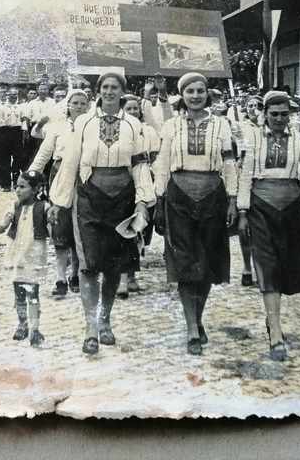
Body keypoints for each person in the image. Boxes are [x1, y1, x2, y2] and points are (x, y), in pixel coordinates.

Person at [59, 71, 154, 355]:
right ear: (98, 90)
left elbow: (139, 165)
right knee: (89, 264)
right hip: (89, 198)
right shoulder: (84, 122)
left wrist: (142, 201)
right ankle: (90, 328)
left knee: (113, 266)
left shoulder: (134, 124)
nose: (110, 91)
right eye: (105, 87)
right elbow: (71, 163)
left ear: (122, 91)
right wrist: (60, 201)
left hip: (122, 200)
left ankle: (105, 320)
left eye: (115, 87)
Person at [236, 91, 300, 361]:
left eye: (283, 114)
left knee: (287, 266)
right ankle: (275, 330)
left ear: (290, 115)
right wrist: (243, 210)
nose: (278, 119)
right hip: (261, 208)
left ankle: (272, 319)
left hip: (291, 208)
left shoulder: (299, 139)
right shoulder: (253, 138)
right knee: (267, 266)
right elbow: (245, 175)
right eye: (273, 114)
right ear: (264, 114)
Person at [153, 73, 239, 355]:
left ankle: (198, 317)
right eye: (190, 91)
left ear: (207, 94)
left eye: (200, 91)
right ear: (182, 95)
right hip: (179, 195)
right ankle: (191, 327)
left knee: (208, 265)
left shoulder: (222, 124)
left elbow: (229, 164)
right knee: (185, 264)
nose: (196, 95)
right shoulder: (171, 125)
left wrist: (232, 200)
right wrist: (159, 199)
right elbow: (163, 163)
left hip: (213, 195)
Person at [28, 88, 90, 297]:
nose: (79, 107)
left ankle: (76, 275)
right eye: (76, 103)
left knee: (79, 227)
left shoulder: (91, 127)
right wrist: (31, 176)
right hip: (60, 176)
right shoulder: (58, 127)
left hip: (84, 178)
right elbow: (44, 153)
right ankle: (60, 277)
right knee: (60, 227)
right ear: (68, 105)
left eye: (83, 103)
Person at [0, 170, 49, 347]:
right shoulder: (15, 206)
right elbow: (5, 221)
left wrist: (53, 219)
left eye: (22, 187)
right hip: (17, 253)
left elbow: (51, 220)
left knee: (32, 292)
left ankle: (35, 328)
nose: (17, 190)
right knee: (18, 290)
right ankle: (22, 323)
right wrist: (3, 224)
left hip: (33, 253)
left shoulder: (44, 207)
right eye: (16, 186)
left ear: (35, 189)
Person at [119, 93, 159, 298]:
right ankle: (123, 278)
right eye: (129, 109)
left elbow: (154, 157)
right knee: (125, 227)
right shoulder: (117, 128)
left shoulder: (148, 130)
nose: (133, 112)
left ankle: (132, 275)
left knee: (140, 229)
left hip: (143, 179)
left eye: (136, 108)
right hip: (122, 181)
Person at [235, 94, 263, 286]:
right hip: (244, 175)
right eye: (250, 105)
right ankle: (246, 266)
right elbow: (237, 148)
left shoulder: (267, 126)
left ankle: (261, 266)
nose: (253, 108)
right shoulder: (240, 125)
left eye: (257, 105)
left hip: (262, 176)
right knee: (244, 226)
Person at [0, 89, 25, 191]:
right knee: (4, 159)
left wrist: (24, 131)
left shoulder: (21, 107)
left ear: (17, 95)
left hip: (17, 132)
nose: (13, 96)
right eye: (11, 94)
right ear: (7, 95)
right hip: (5, 132)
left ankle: (16, 182)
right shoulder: (1, 107)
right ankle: (6, 184)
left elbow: (24, 121)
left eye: (15, 94)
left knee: (17, 158)